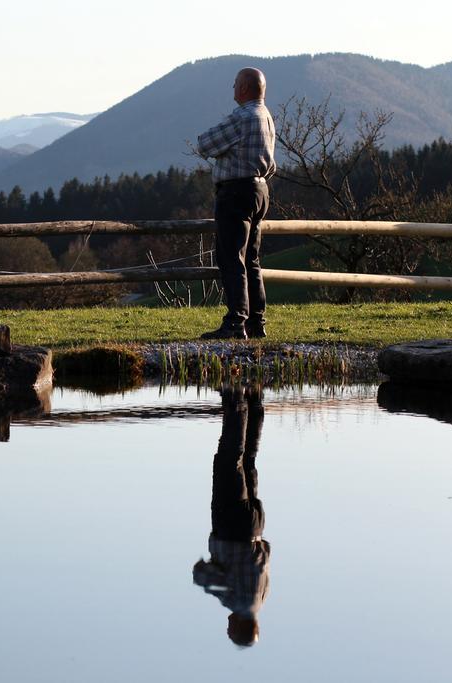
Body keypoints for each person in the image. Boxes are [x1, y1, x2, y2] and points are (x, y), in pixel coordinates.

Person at [196, 68, 277, 340]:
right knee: (252, 259)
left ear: (243, 88)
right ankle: (257, 321)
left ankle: (235, 322)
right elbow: (271, 164)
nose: (232, 88)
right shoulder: (267, 117)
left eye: (234, 84)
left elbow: (205, 144)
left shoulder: (242, 117)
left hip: (236, 192)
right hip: (260, 190)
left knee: (232, 258)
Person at [192, 386, 271, 647]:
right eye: (230, 630)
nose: (227, 625)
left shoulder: (262, 598)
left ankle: (255, 399)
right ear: (238, 627)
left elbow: (267, 554)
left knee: (248, 460)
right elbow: (201, 576)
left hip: (255, 527)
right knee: (228, 460)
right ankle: (235, 398)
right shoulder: (237, 602)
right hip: (231, 525)